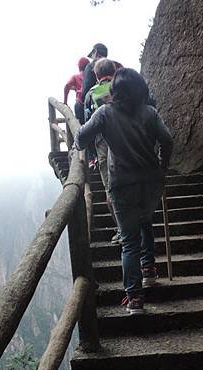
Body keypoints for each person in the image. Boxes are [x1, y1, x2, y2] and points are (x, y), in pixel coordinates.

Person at [75, 68, 173, 315]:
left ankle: (135, 298)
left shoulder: (105, 113)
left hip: (121, 184)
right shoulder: (149, 113)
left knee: (129, 241)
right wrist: (162, 166)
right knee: (146, 222)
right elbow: (167, 140)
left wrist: (79, 144)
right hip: (150, 182)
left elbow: (82, 136)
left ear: (114, 91)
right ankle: (149, 269)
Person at [84, 58, 121, 245]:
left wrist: (91, 156)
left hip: (104, 146)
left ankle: (122, 229)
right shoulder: (123, 87)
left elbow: (87, 127)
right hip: (129, 142)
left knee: (110, 188)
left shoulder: (91, 94)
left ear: (96, 75)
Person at [80, 43, 123, 170]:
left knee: (105, 164)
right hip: (126, 126)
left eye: (92, 54)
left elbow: (85, 92)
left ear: (95, 52)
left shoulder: (92, 67)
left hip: (102, 131)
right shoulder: (116, 65)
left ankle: (93, 158)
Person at [63, 57, 89, 125]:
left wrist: (65, 101)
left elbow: (67, 86)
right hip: (90, 102)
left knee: (81, 125)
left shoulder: (76, 77)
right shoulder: (92, 76)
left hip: (80, 103)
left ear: (79, 67)